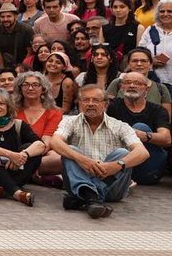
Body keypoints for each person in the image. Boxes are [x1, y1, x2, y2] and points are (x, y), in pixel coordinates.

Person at [50, 85, 149, 218]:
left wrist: (115, 165)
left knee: (122, 153)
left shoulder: (120, 126)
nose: (90, 104)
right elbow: (55, 141)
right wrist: (83, 160)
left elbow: (143, 152)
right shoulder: (69, 121)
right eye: (86, 100)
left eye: (96, 100)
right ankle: (91, 198)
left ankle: (85, 199)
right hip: (79, 180)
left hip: (111, 185)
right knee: (70, 150)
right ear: (79, 103)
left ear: (105, 104)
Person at [106, 71, 170, 187]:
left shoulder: (158, 110)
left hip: (147, 167)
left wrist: (144, 136)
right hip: (120, 162)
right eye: (128, 82)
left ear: (146, 89)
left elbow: (166, 138)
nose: (132, 86)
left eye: (137, 83)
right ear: (121, 87)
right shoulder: (113, 106)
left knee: (140, 127)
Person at [138, 0, 172, 86]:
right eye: (162, 11)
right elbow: (139, 52)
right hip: (153, 81)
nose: (165, 14)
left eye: (169, 11)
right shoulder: (151, 30)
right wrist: (150, 60)